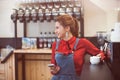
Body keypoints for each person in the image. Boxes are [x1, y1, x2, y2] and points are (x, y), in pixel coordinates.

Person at [49, 14, 105, 80]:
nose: (55, 31)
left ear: (67, 28)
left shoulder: (83, 43)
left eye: (57, 28)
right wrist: (53, 70)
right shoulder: (55, 45)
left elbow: (100, 53)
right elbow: (53, 65)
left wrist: (99, 57)